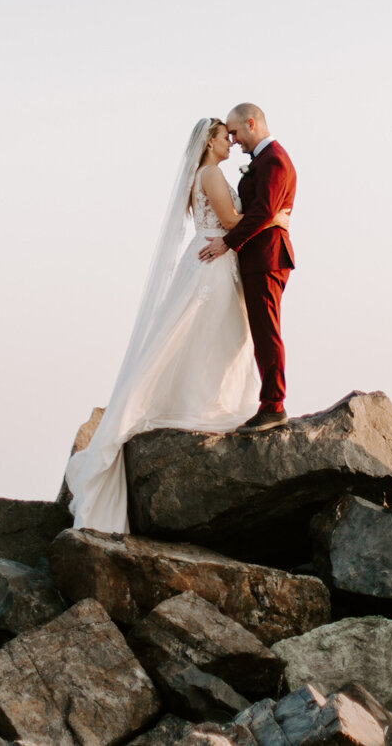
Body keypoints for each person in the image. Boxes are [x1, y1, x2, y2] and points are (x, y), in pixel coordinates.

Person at [63, 115, 294, 532]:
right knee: (211, 337)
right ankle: (203, 403)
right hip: (214, 263)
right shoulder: (210, 173)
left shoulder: (206, 173)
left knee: (208, 337)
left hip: (211, 261)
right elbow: (228, 222)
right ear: (210, 141)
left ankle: (204, 398)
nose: (232, 142)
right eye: (226, 136)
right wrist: (274, 218)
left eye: (234, 134)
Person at [198, 104, 297, 430]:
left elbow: (263, 212)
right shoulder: (264, 161)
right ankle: (265, 401)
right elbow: (264, 212)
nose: (235, 140)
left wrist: (227, 242)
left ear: (251, 124)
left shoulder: (275, 161)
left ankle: (273, 405)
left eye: (236, 132)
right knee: (257, 331)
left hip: (267, 258)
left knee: (266, 331)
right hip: (256, 258)